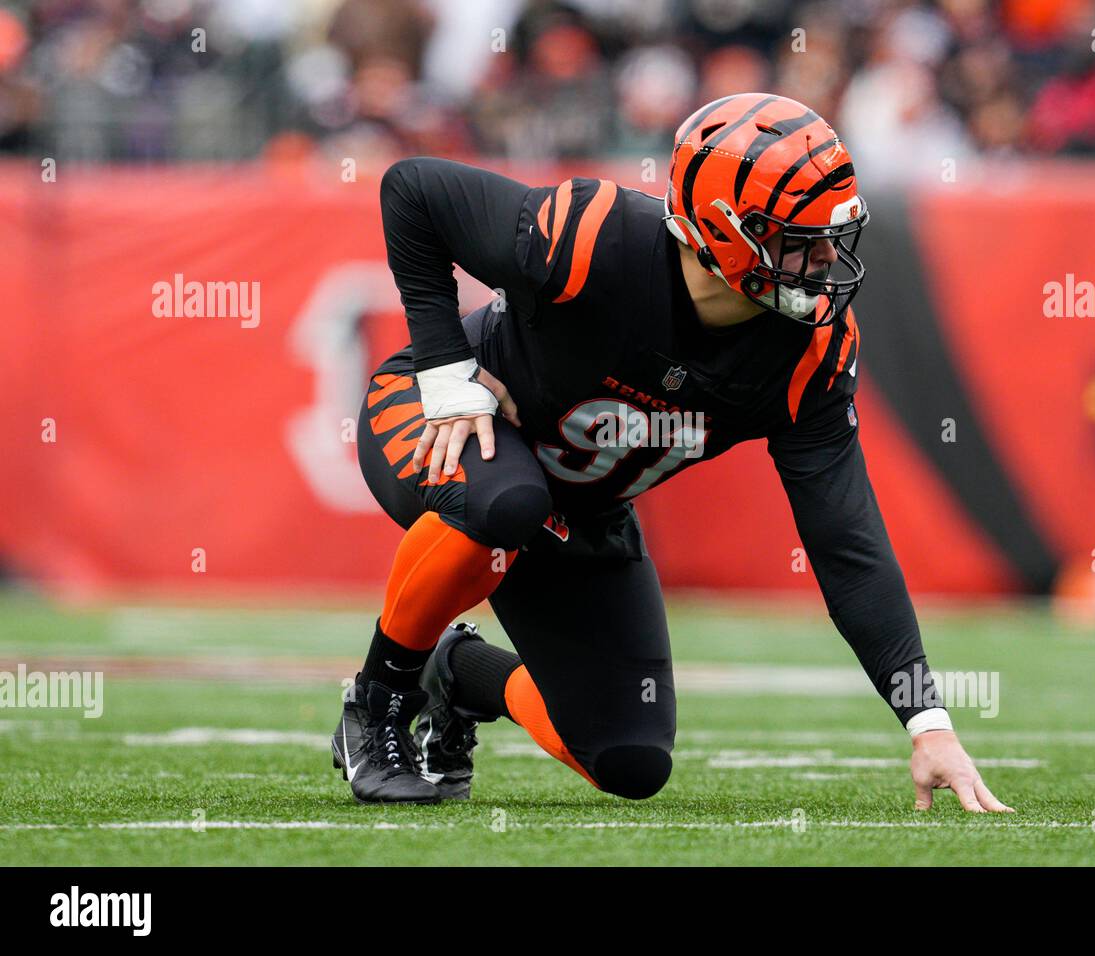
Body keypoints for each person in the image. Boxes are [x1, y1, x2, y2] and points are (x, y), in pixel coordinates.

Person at [330, 92, 1012, 813]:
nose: (823, 262)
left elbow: (847, 541)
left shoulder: (807, 353)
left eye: (829, 239)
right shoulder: (592, 239)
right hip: (439, 424)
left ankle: (462, 673)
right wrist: (445, 375)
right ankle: (376, 705)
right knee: (505, 499)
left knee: (628, 759)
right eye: (798, 240)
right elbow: (413, 189)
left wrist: (926, 722)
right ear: (722, 231)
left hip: (580, 504)